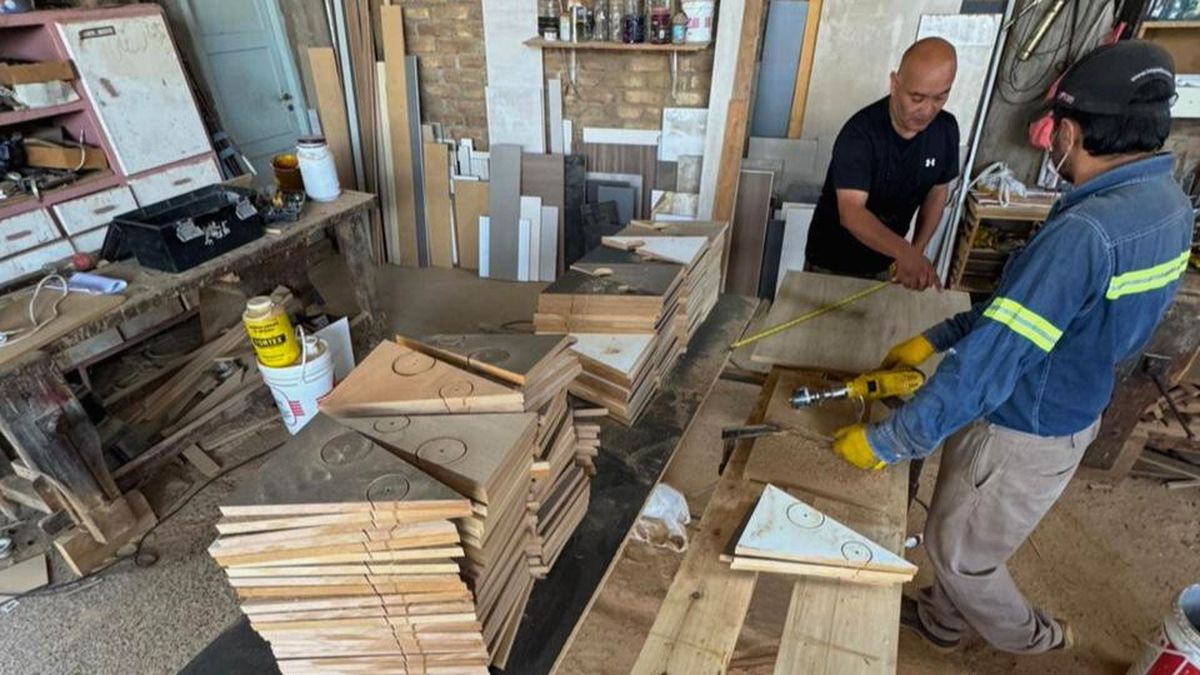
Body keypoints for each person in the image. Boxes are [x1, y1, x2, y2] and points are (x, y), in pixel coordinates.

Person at [830, 40, 1190, 654]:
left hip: (1027, 419)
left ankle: (1036, 639)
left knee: (959, 550)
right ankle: (942, 622)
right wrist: (936, 338)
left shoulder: (1085, 231)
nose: (1050, 142)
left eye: (1055, 129)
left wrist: (890, 441)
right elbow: (1033, 313)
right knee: (966, 517)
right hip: (1069, 398)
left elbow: (993, 361)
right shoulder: (1168, 205)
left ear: (1071, 132)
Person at [805, 37, 961, 290]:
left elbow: (937, 192)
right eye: (917, 98)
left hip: (887, 264)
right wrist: (907, 254)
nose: (927, 110)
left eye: (940, 98)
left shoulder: (945, 131)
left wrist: (915, 251)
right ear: (895, 84)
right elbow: (852, 213)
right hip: (831, 263)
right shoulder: (860, 134)